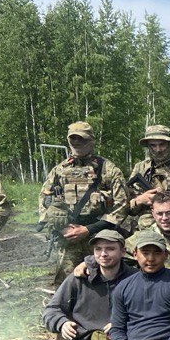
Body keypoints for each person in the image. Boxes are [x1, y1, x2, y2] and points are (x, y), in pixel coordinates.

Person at [42, 229, 136, 340]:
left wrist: (124, 323)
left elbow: (152, 313)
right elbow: (51, 310)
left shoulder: (136, 279)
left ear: (123, 251)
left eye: (110, 248)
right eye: (98, 249)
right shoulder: (78, 278)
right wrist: (62, 323)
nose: (103, 254)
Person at [38, 121, 129, 284]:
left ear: (92, 141)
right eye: (73, 139)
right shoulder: (59, 171)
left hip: (101, 236)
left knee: (106, 282)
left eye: (82, 139)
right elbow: (44, 202)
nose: (77, 143)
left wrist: (88, 230)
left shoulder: (108, 170)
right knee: (68, 284)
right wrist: (63, 228)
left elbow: (121, 207)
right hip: (69, 237)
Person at [127, 192, 170, 268]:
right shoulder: (144, 237)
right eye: (159, 214)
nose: (164, 218)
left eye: (169, 213)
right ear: (153, 214)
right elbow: (118, 257)